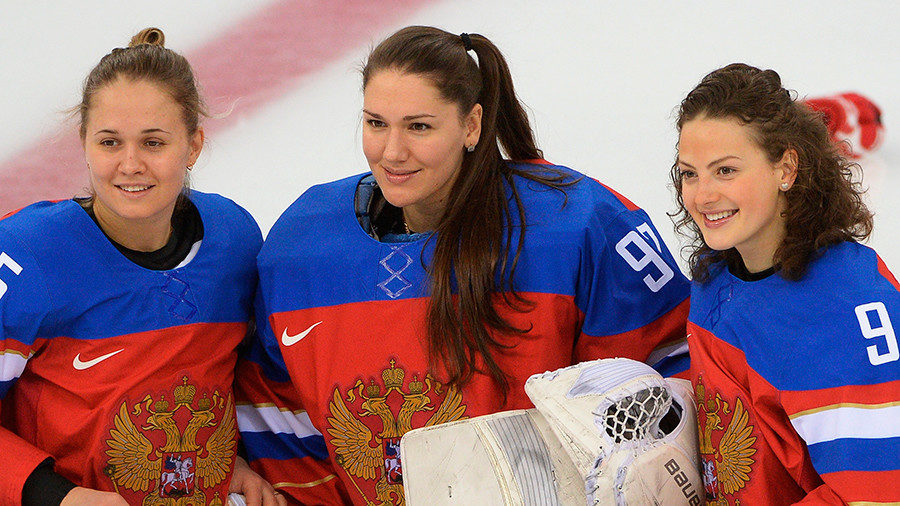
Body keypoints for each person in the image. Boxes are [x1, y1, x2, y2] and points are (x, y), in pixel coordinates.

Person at [235, 26, 689, 505]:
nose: (391, 152)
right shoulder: (302, 248)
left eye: (419, 126)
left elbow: (668, 386)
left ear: (472, 125)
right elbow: (277, 412)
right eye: (375, 123)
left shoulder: (578, 226)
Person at [0, 28, 284, 506]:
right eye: (110, 143)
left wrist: (230, 459)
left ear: (192, 146)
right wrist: (61, 497)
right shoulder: (27, 254)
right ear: (84, 142)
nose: (130, 164)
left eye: (153, 143)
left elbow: (231, 374)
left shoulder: (233, 236)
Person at [671, 63, 900, 504]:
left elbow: (881, 494)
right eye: (689, 173)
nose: (701, 195)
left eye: (725, 171)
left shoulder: (850, 307)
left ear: (786, 169)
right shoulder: (714, 280)